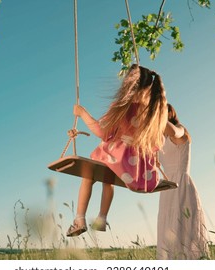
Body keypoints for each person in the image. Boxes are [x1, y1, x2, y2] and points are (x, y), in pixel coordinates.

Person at [66, 64, 168, 237]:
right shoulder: (153, 113)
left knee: (89, 176)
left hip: (118, 159)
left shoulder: (121, 106)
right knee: (108, 179)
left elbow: (102, 132)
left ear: (128, 85)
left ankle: (79, 219)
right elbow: (157, 143)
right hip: (139, 170)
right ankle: (102, 218)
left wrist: (82, 114)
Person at [156, 103, 209, 259]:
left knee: (184, 229)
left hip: (181, 185)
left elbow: (171, 131)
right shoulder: (160, 139)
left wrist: (153, 113)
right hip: (167, 188)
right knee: (168, 230)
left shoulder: (180, 130)